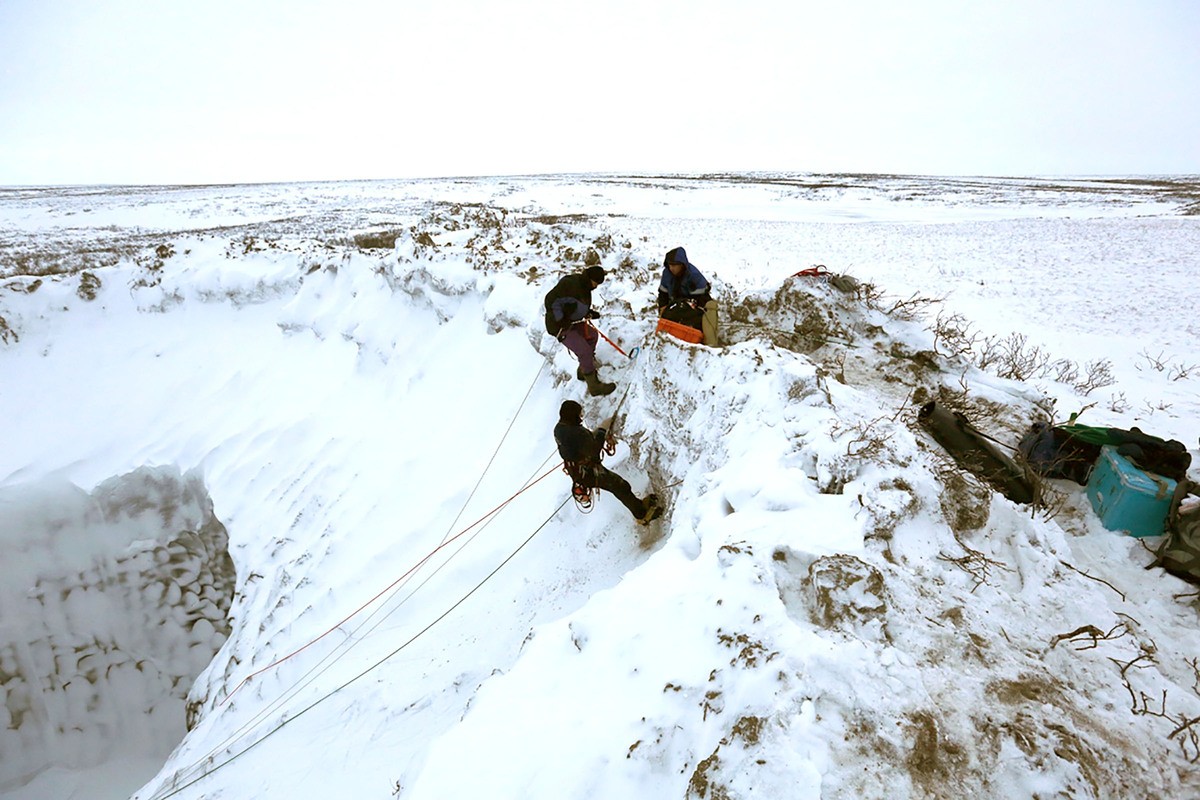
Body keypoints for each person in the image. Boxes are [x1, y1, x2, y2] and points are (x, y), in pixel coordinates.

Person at [554, 400, 662, 525]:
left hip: (579, 471)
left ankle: (639, 507)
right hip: (588, 472)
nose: (581, 417)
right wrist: (601, 432)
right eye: (579, 414)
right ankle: (642, 515)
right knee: (620, 486)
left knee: (620, 486)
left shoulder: (559, 428)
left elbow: (578, 444)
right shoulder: (574, 432)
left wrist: (590, 436)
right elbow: (594, 450)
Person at [544, 265, 616, 396]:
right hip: (560, 326)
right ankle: (594, 387)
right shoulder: (571, 284)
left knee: (592, 336)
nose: (596, 286)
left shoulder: (585, 286)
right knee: (584, 351)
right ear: (591, 279)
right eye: (596, 283)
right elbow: (551, 300)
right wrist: (560, 320)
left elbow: (575, 304)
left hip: (572, 321)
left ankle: (584, 369)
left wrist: (588, 313)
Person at [658, 247, 718, 346]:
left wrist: (690, 305)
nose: (671, 268)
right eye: (670, 265)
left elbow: (703, 298)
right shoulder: (667, 274)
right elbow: (663, 293)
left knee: (710, 309)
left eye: (674, 265)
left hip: (694, 305)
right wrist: (662, 307)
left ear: (682, 265)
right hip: (674, 304)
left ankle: (710, 345)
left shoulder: (694, 275)